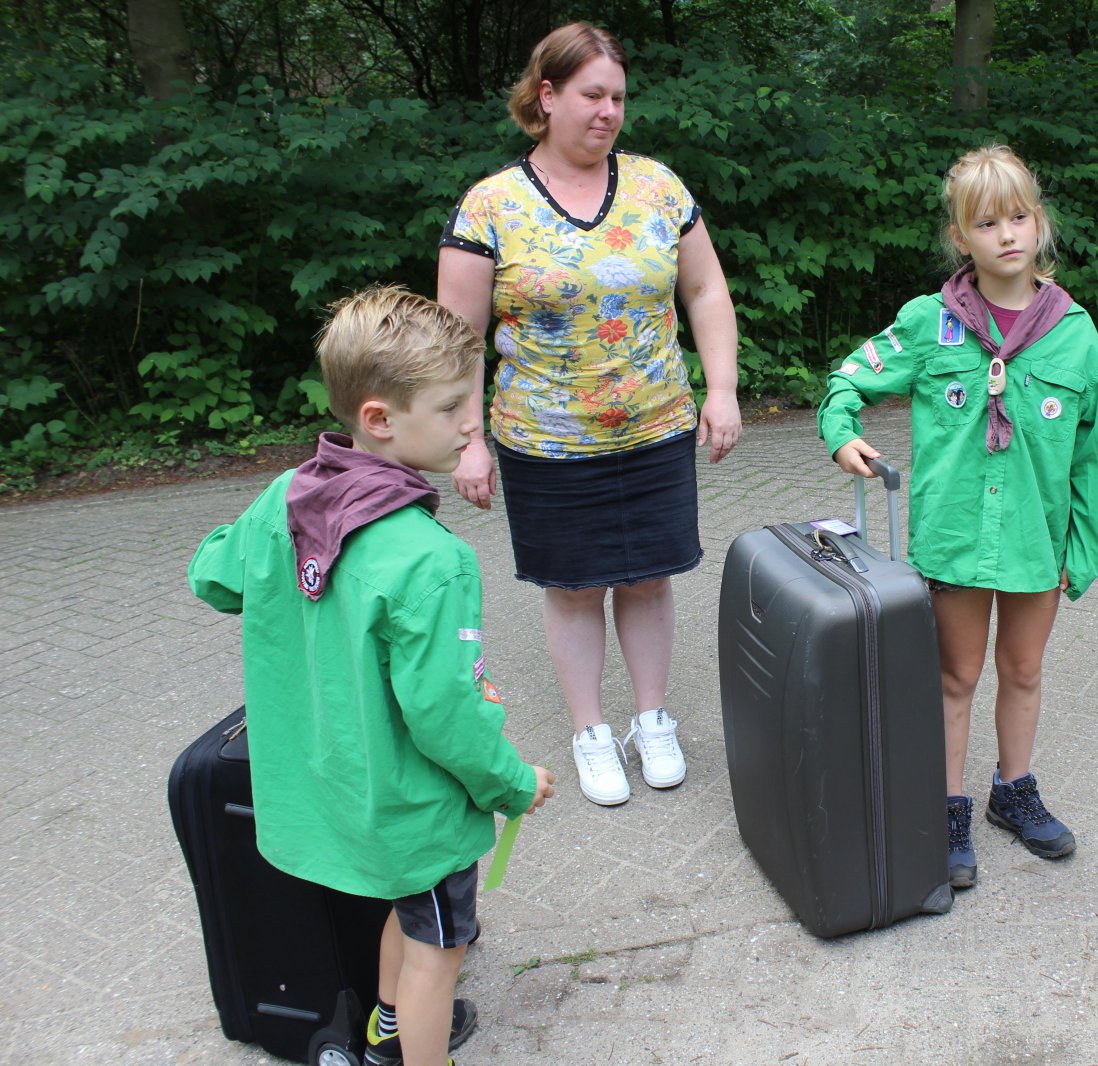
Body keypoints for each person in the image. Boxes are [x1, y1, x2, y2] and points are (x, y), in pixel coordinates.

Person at [188, 285, 557, 1066]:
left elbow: (212, 577)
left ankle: (385, 1030)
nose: (471, 422)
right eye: (453, 406)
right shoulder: (431, 558)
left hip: (322, 792)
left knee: (407, 907)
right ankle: (408, 1052)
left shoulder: (285, 497)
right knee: (439, 947)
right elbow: (445, 713)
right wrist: (512, 783)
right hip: (409, 811)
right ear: (380, 419)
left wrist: (275, 544)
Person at [437, 21, 741, 808]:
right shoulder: (490, 206)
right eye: (592, 95)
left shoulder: (658, 188)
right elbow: (457, 340)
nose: (608, 111)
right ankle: (590, 733)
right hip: (546, 441)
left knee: (646, 580)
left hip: (654, 427)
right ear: (547, 97)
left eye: (618, 97)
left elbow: (705, 291)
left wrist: (722, 390)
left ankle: (651, 719)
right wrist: (467, 441)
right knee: (574, 589)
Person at [817, 145, 1098, 890]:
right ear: (962, 238)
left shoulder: (1073, 329)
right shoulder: (931, 323)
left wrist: (1080, 554)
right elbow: (846, 378)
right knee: (955, 677)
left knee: (1023, 669)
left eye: (1019, 216)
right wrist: (841, 431)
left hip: (1034, 545)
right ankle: (947, 808)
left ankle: (1013, 792)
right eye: (987, 223)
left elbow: (1095, 456)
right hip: (951, 544)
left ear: (1039, 223)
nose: (1007, 234)